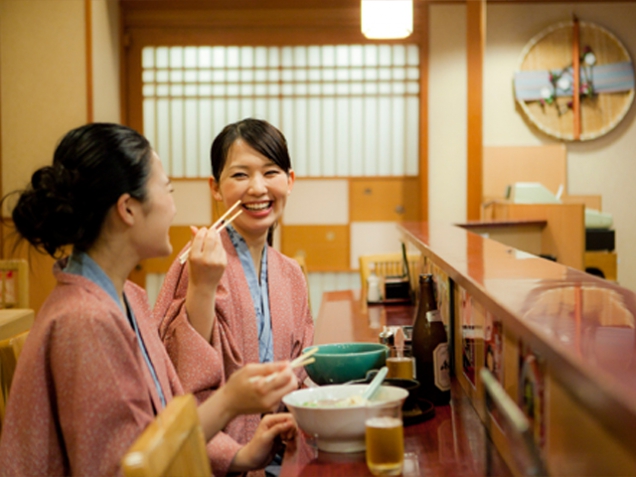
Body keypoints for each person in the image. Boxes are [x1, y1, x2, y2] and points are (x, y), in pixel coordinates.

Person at [0, 123, 298, 477]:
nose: (173, 209)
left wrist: (243, 455)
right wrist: (230, 401)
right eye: (167, 191)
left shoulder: (129, 297)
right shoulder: (83, 320)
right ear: (127, 209)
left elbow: (161, 425)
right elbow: (126, 467)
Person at [154, 118, 314, 476]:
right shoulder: (199, 264)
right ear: (215, 187)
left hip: (279, 454)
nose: (257, 188)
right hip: (222, 463)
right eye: (240, 175)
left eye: (270, 172)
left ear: (290, 180)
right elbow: (184, 385)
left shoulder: (290, 273)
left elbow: (299, 367)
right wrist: (202, 285)